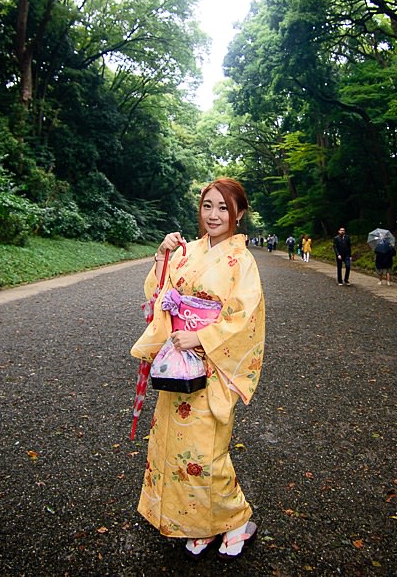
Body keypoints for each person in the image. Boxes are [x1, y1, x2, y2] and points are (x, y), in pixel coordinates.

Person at [130, 178, 265, 560]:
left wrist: (203, 337)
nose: (214, 214)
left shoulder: (242, 261)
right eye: (208, 205)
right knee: (174, 448)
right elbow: (159, 298)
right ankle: (199, 524)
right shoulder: (188, 251)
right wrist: (161, 257)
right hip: (178, 366)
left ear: (238, 213)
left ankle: (237, 521)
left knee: (206, 453)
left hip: (213, 366)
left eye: (223, 207)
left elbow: (246, 317)